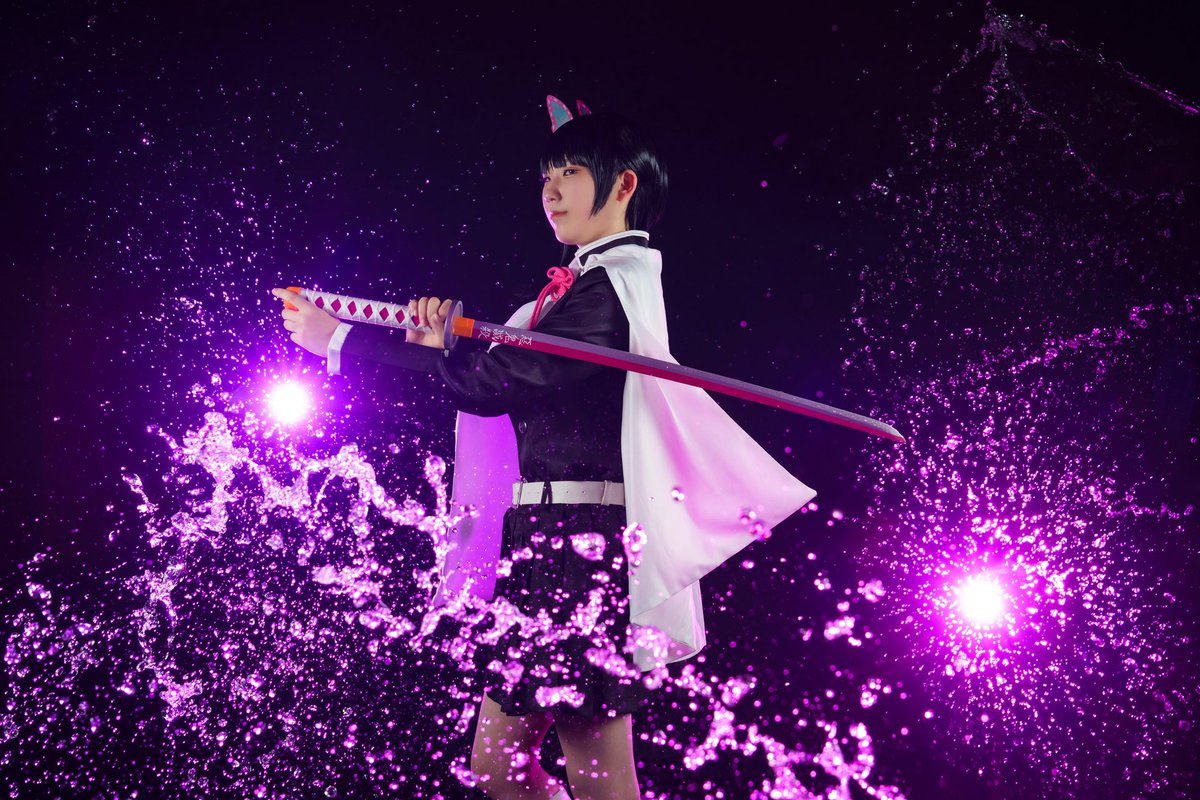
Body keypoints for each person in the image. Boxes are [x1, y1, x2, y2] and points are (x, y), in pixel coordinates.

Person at [272, 103, 815, 800]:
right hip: (545, 536)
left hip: (584, 543)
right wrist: (436, 346)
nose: (550, 191)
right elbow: (489, 375)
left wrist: (345, 340)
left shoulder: (612, 290)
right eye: (546, 177)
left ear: (622, 185)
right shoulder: (576, 293)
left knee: (594, 770)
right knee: (499, 766)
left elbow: (492, 383)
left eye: (570, 173)